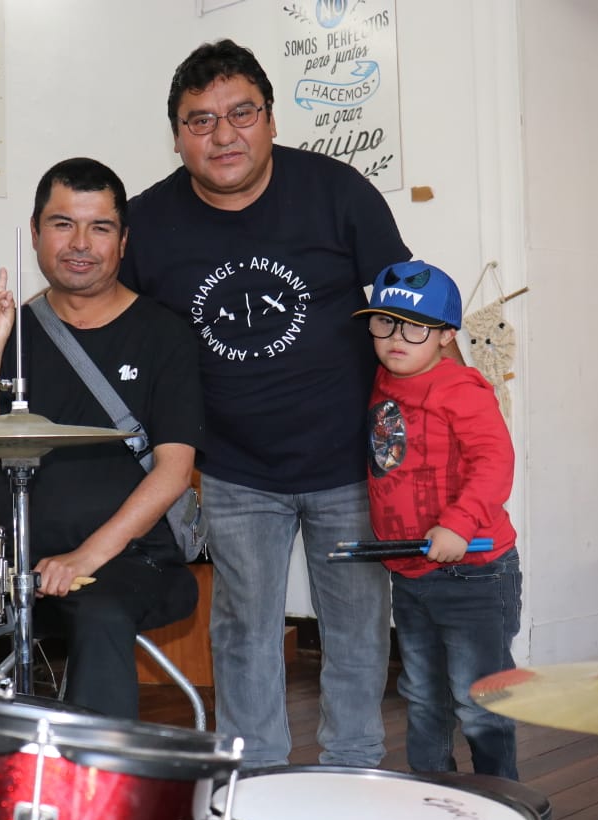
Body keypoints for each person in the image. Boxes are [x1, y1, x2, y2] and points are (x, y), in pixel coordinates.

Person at [118, 38, 412, 768]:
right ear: (177, 136)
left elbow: (411, 308)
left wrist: (449, 428)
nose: (223, 135)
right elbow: (112, 321)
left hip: (350, 460)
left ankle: (353, 771)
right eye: (200, 120)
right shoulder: (146, 224)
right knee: (243, 631)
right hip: (234, 467)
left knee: (357, 628)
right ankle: (253, 781)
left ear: (271, 120)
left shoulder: (338, 192)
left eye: (241, 113)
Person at [0, 157, 203, 719]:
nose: (80, 243)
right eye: (63, 224)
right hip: (8, 556)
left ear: (123, 240)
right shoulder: (9, 330)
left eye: (100, 227)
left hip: (127, 561)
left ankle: (93, 771)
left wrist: (82, 557)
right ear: (36, 232)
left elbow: (173, 472)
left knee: (100, 612)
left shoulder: (165, 335)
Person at [358, 259, 521, 779]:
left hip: (474, 574)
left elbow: (495, 462)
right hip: (410, 573)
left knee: (480, 700)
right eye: (385, 322)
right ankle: (429, 795)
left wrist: (459, 524)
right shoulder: (380, 381)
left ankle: (502, 802)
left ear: (447, 335)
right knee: (423, 696)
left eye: (415, 327)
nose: (396, 338)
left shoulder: (460, 389)